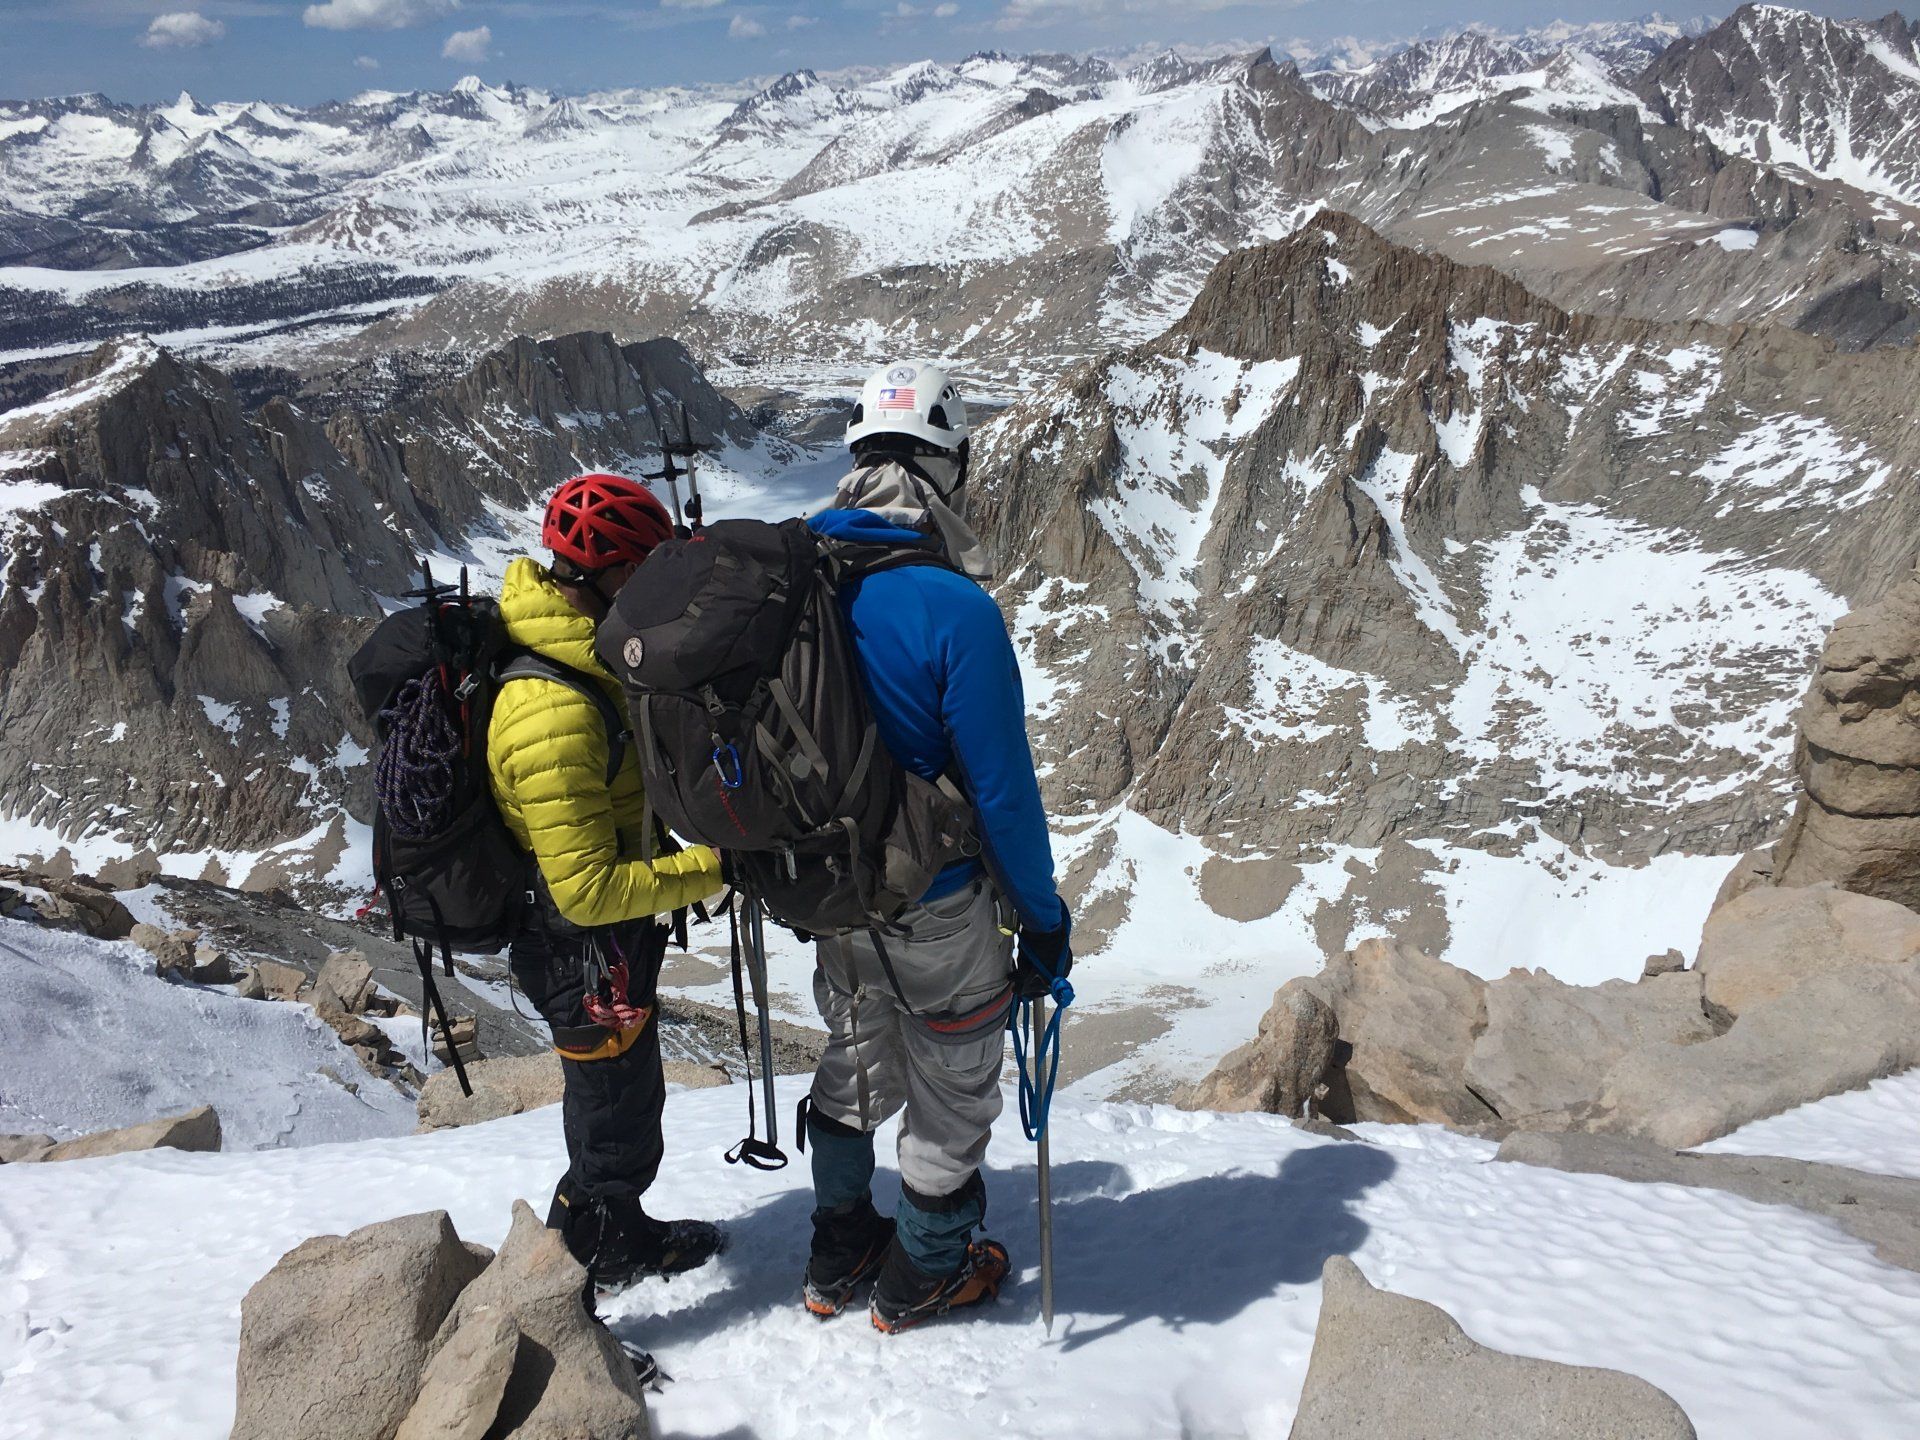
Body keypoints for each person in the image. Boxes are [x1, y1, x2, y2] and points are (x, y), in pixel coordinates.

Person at [798, 362, 1074, 1334]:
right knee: (953, 1088)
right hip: (938, 905)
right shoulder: (956, 611)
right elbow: (1003, 794)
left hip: (827, 899)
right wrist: (1043, 923)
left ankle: (838, 1250)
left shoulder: (798, 580)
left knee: (855, 1052)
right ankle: (924, 1273)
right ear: (942, 467)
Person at [489, 471, 729, 1292]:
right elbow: (584, 890)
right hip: (579, 952)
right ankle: (565, 1316)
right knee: (608, 1134)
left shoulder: (582, 661)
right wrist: (709, 870)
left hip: (603, 949)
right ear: (610, 577)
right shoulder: (549, 709)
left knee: (626, 1110)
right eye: (646, 572)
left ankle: (620, 1239)